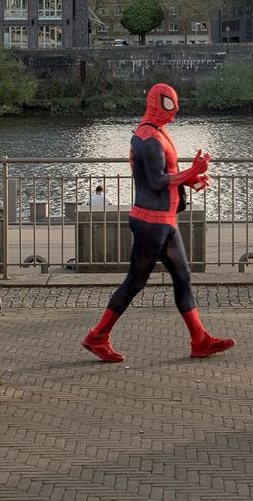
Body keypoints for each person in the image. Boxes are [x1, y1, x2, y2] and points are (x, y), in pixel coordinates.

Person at [82, 83, 235, 363]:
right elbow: (156, 181)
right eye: (169, 107)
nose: (174, 114)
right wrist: (191, 171)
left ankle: (199, 339)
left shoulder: (157, 133)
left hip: (164, 221)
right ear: (157, 104)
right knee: (135, 281)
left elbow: (166, 175)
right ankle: (97, 336)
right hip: (152, 223)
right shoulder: (148, 138)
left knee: (183, 278)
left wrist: (192, 178)